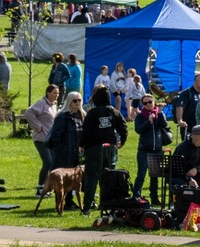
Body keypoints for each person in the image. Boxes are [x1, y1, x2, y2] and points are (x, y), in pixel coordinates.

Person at [80, 86, 127, 215]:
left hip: (95, 147)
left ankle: (87, 208)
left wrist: (81, 144)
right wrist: (121, 142)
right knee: (108, 178)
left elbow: (86, 131)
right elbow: (124, 128)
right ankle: (108, 205)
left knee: (92, 177)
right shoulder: (115, 112)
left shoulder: (93, 113)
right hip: (110, 147)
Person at [132, 94, 172, 202]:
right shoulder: (140, 116)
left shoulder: (159, 114)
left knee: (155, 176)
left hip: (157, 150)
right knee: (141, 174)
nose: (148, 104)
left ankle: (154, 197)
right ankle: (136, 195)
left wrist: (160, 114)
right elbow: (138, 130)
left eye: (150, 102)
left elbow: (164, 125)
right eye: (145, 103)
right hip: (144, 150)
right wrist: (148, 122)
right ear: (142, 105)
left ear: (154, 102)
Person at [22, 84, 61, 193]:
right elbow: (28, 112)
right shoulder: (41, 103)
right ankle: (40, 188)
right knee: (47, 162)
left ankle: (49, 186)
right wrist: (37, 126)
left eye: (58, 93)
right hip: (40, 139)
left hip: (50, 139)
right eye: (54, 93)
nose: (56, 95)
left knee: (53, 163)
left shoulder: (53, 105)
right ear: (48, 93)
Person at [46, 91, 84, 175]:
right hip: (64, 154)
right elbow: (55, 136)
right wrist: (62, 150)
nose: (77, 102)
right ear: (69, 102)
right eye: (75, 101)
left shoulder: (83, 116)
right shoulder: (62, 116)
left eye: (79, 100)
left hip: (78, 153)